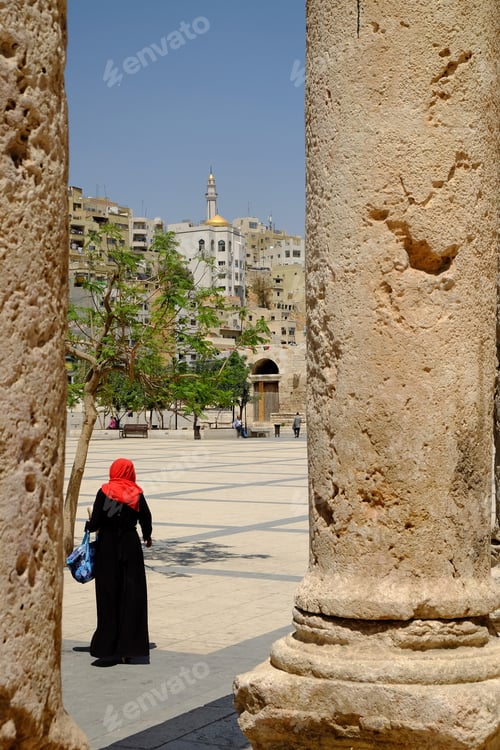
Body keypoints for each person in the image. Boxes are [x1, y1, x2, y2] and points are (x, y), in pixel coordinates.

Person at [85, 457, 152, 666]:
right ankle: (129, 648)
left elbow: (95, 522)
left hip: (107, 549)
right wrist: (147, 536)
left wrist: (89, 525)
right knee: (131, 596)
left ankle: (108, 646)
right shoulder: (136, 493)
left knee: (108, 596)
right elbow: (146, 519)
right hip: (130, 549)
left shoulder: (104, 491)